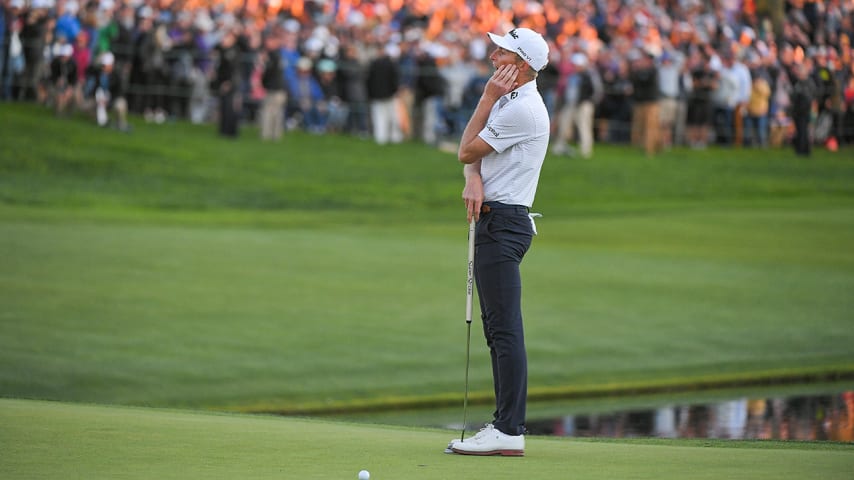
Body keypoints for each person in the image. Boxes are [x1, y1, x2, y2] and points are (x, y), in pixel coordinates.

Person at [449, 27, 550, 457]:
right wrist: (474, 180)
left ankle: (509, 429)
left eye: (502, 52)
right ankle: (504, 425)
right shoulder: (512, 101)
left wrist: (485, 100)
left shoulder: (519, 108)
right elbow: (473, 159)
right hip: (494, 220)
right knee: (497, 329)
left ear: (522, 66)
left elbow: (466, 151)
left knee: (505, 330)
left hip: (503, 224)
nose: (492, 56)